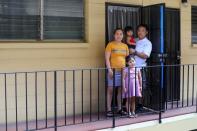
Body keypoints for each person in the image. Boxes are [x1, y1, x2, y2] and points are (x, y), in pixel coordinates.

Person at [105, 28, 129, 117]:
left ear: (123, 36)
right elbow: (107, 58)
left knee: (120, 90)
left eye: (121, 34)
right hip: (113, 71)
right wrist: (109, 69)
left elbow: (127, 58)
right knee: (110, 90)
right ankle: (109, 110)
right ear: (114, 35)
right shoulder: (110, 45)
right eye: (117, 34)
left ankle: (120, 109)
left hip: (123, 71)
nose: (119, 36)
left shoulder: (125, 46)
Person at [129, 24, 152, 111]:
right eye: (139, 30)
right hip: (131, 68)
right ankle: (131, 107)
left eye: (142, 30)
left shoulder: (148, 43)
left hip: (140, 68)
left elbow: (145, 55)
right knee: (131, 87)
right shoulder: (135, 40)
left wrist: (135, 52)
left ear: (146, 32)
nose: (140, 32)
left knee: (141, 87)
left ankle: (140, 105)